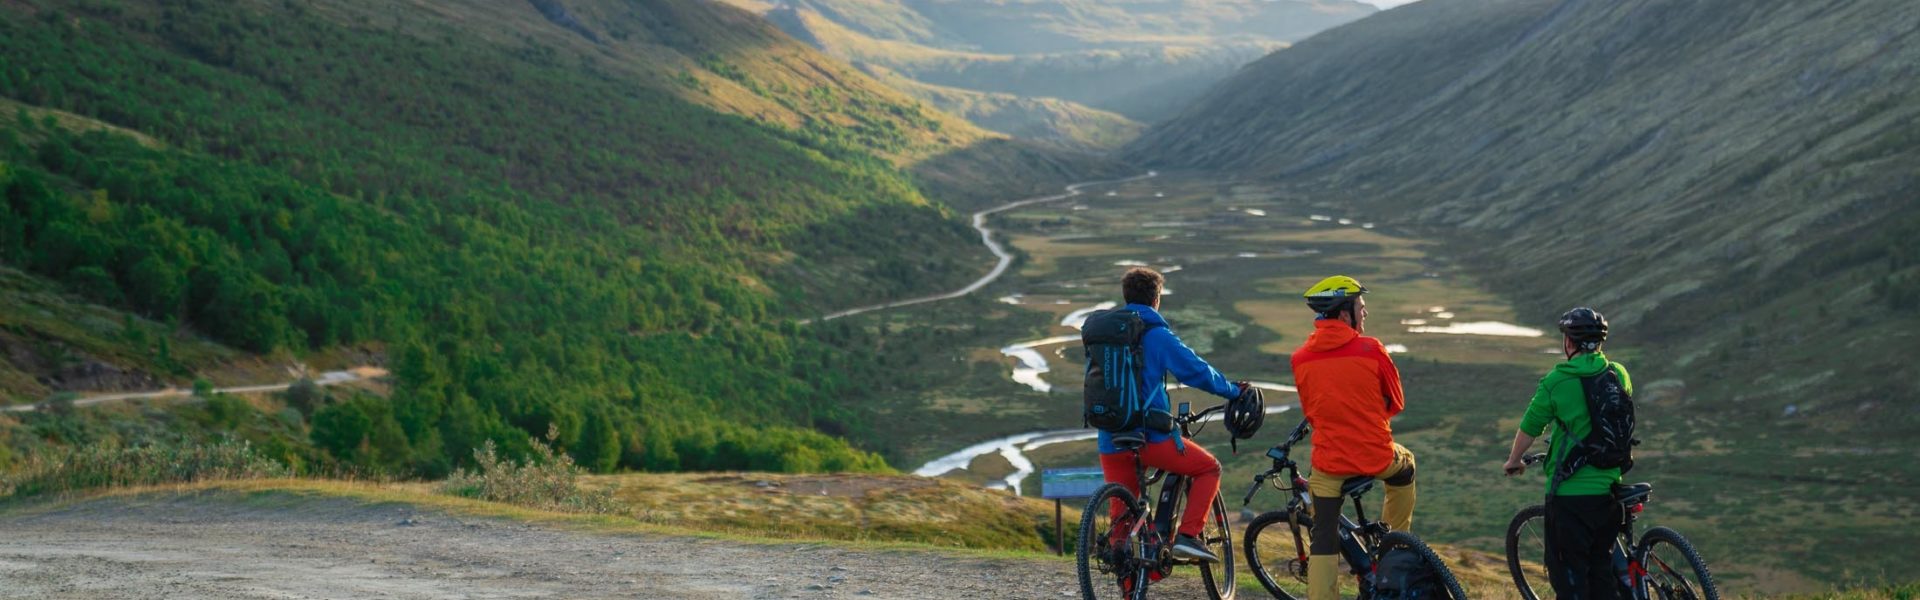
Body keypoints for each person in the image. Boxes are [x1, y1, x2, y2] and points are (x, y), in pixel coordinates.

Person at [1095, 267, 1249, 563]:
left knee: (1123, 521)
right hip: (1149, 437)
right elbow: (1196, 371)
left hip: (1109, 438)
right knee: (1208, 469)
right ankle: (1189, 536)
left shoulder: (1107, 336)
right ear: (1156, 300)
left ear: (1126, 297)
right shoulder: (1157, 334)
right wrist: (1232, 391)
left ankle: (1130, 577)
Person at [1290, 276, 1416, 600]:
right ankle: (1394, 549)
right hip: (1377, 456)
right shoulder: (1372, 349)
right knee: (1406, 467)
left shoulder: (1300, 358)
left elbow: (1312, 412)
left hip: (1329, 465)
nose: (1365, 313)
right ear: (1345, 314)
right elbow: (1396, 403)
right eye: (1361, 306)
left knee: (1323, 539)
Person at [1502, 307, 1631, 600]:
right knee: (1601, 572)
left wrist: (1514, 460)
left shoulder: (1558, 381)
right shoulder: (1618, 373)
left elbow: (1530, 427)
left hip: (1570, 496)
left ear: (1569, 342)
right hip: (1610, 490)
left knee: (1570, 578)